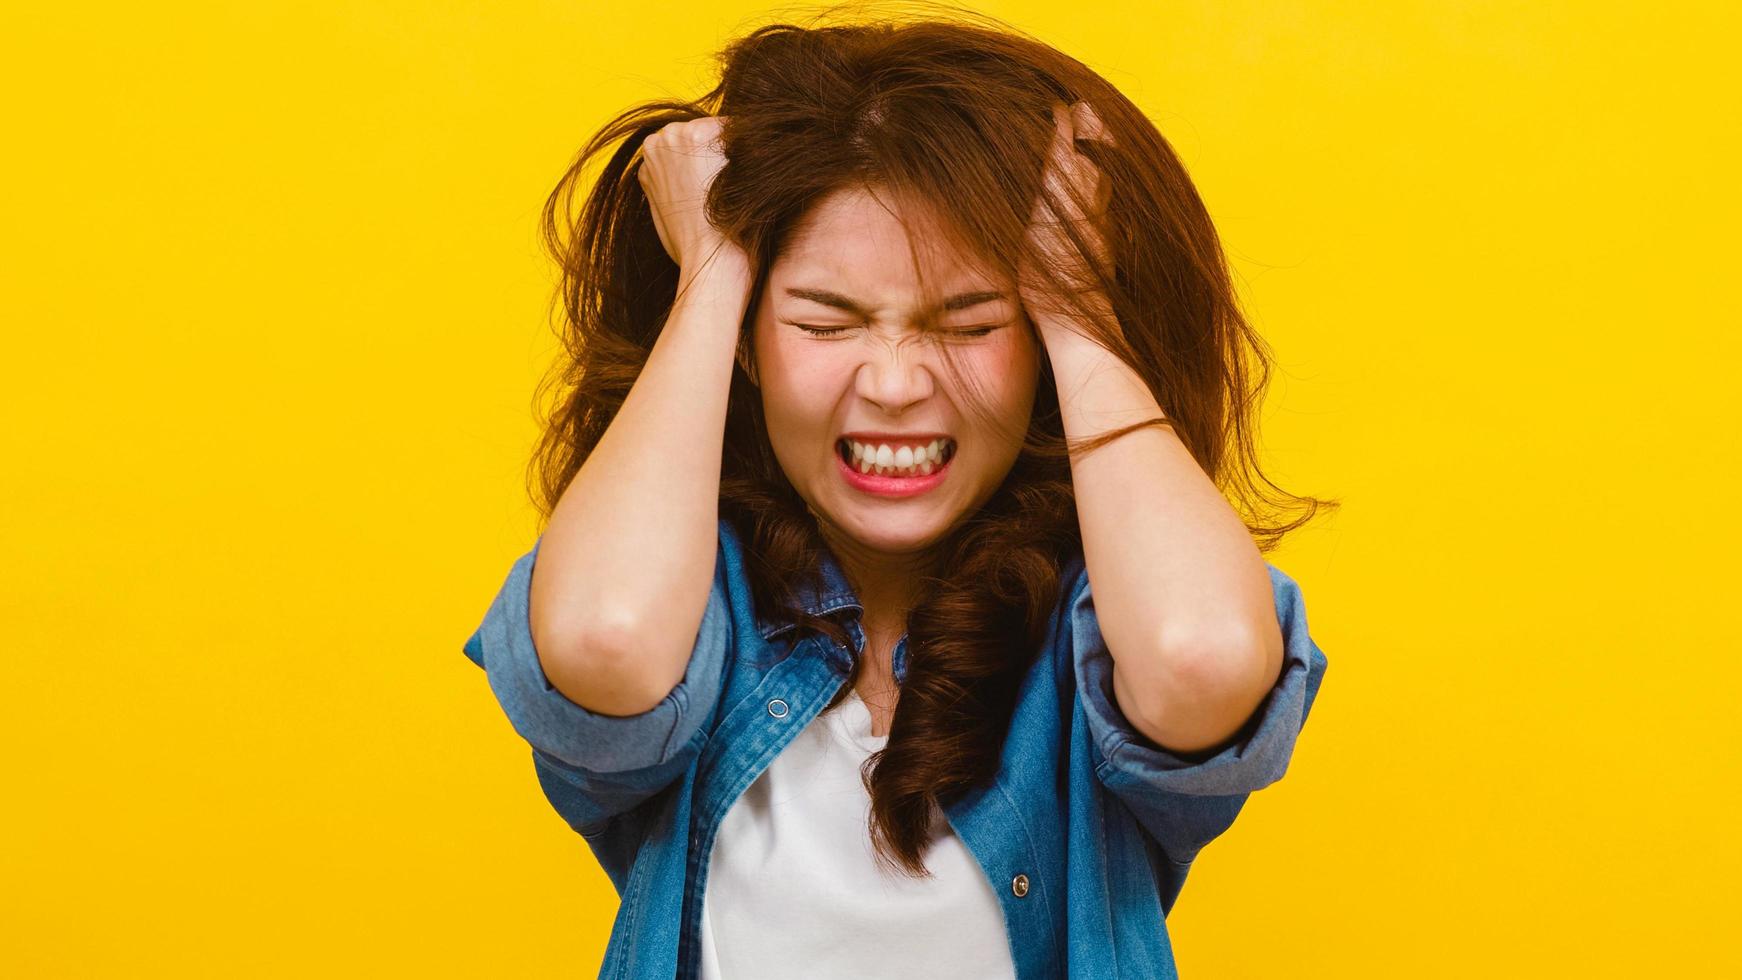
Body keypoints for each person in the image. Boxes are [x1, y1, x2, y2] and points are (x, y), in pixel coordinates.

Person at [461, 8, 1335, 978]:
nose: (892, 382)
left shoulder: (1095, 630)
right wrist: (711, 274)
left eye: (967, 323)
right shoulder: (694, 615)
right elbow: (602, 638)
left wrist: (1076, 308)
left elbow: (1201, 658)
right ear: (747, 343)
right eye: (825, 321)